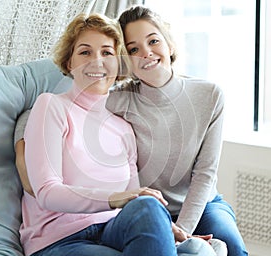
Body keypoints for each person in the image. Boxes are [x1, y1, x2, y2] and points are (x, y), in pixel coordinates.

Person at [18, 12, 178, 256]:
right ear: (69, 63)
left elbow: (135, 202)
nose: (97, 61)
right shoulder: (51, 106)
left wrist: (171, 230)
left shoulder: (124, 128)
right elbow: (47, 192)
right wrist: (117, 197)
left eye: (106, 52)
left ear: (119, 62)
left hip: (112, 231)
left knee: (148, 206)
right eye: (85, 52)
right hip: (60, 240)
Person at [104, 5, 247, 256]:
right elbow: (66, 104)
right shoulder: (118, 100)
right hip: (150, 210)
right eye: (133, 49)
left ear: (169, 45)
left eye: (153, 41)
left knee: (233, 248)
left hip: (203, 205)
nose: (146, 53)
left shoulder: (210, 95)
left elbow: (205, 173)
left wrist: (182, 232)